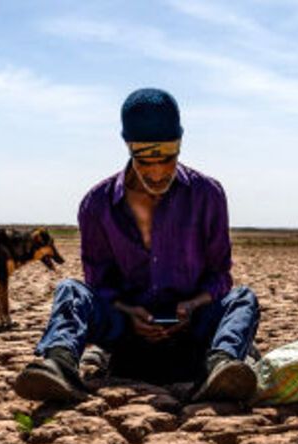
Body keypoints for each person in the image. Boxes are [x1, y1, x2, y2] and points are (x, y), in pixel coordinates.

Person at [14, 87, 261, 404]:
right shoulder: (97, 205)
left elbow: (220, 276)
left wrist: (192, 306)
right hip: (127, 331)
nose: (157, 173)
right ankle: (58, 364)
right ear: (129, 147)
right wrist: (129, 311)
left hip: (191, 329)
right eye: (145, 160)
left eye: (168, 159)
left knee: (243, 299)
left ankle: (221, 367)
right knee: (71, 291)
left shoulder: (208, 195)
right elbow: (99, 284)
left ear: (180, 144)